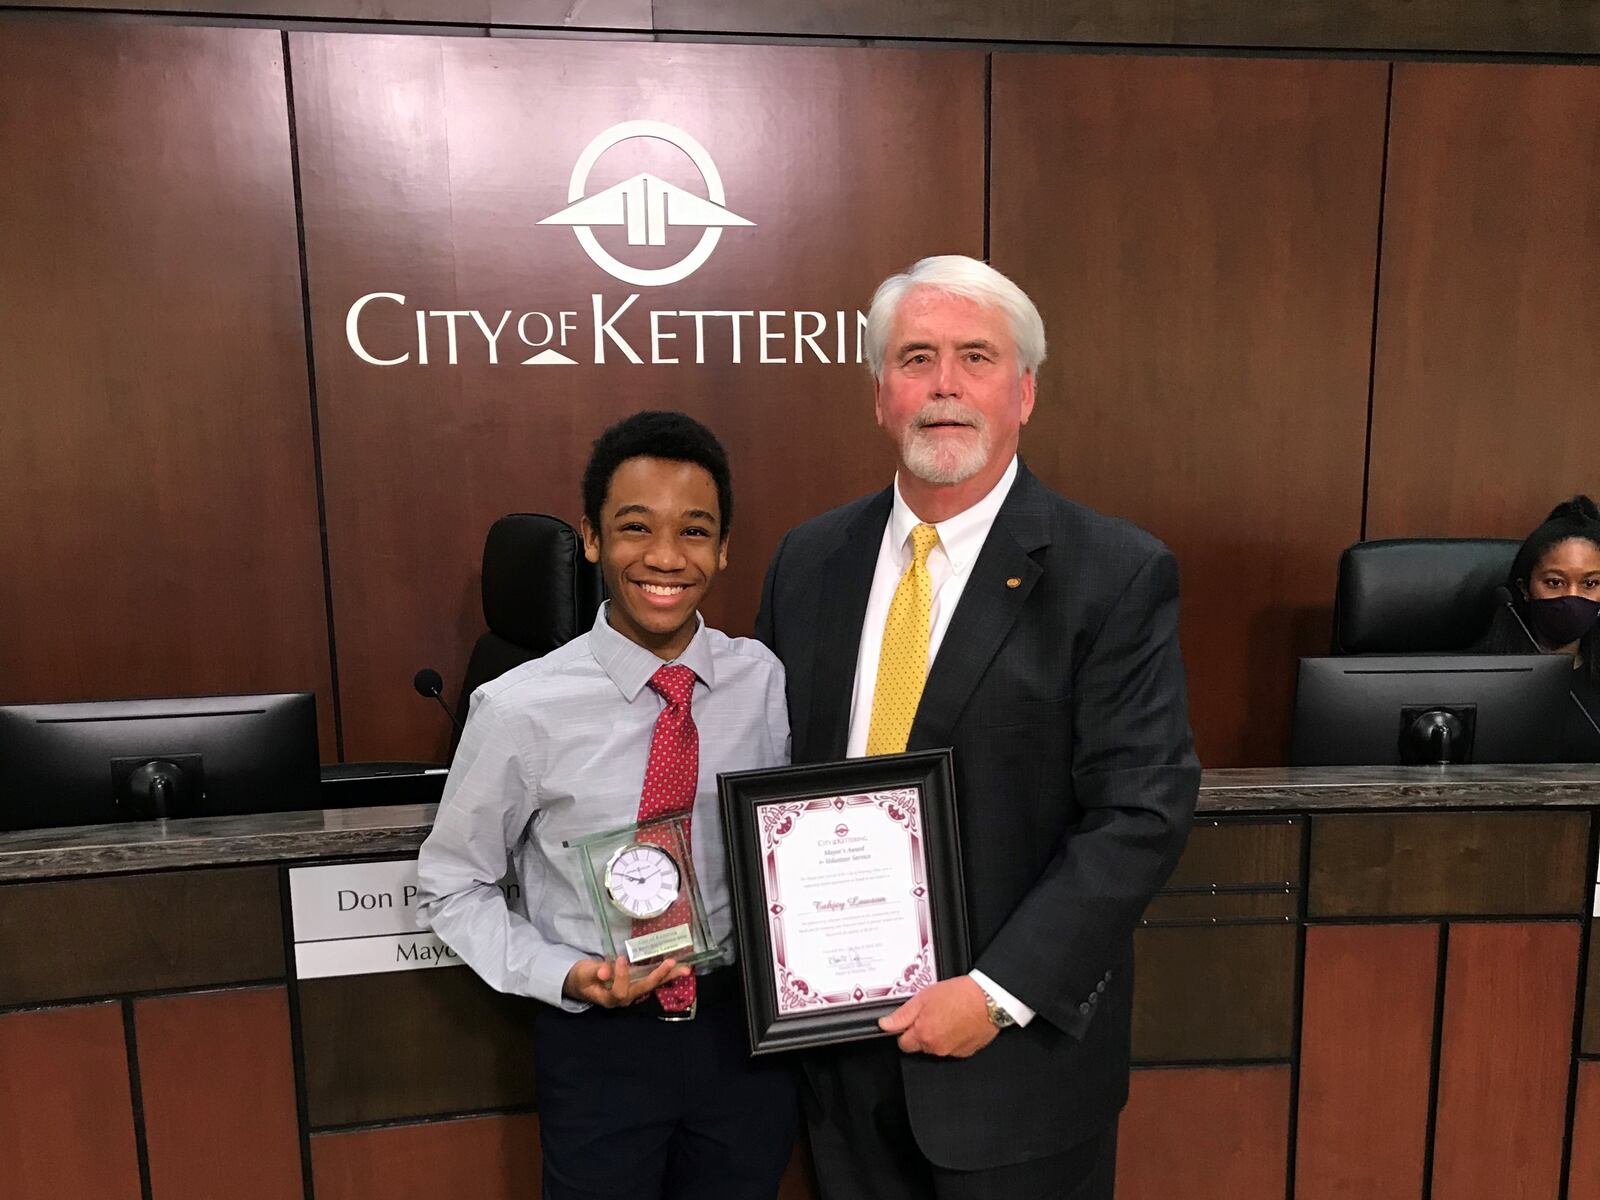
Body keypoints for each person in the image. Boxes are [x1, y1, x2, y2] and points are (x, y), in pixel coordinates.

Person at [755, 255, 1199, 1200]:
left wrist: (996, 996)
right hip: (839, 1062)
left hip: (1014, 1077)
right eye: (917, 357)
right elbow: (776, 777)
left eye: (976, 357)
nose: (945, 384)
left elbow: (1142, 814)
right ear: (881, 393)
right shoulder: (808, 560)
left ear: (1025, 392)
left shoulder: (1111, 572)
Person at [415, 411, 797, 1200]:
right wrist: (567, 974)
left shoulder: (763, 680)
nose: (665, 557)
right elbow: (451, 887)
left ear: (724, 548)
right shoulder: (519, 707)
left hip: (745, 1036)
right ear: (592, 539)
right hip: (599, 1046)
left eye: (694, 531)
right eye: (635, 528)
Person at [1480, 495, 1600, 760]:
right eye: (1555, 583)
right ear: (1525, 589)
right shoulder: (1479, 676)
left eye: (1590, 584)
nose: (1572, 596)